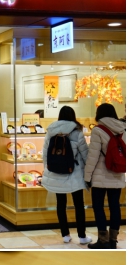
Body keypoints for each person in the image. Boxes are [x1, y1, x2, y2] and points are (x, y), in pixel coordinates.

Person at [41, 106, 91, 245]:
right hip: (74, 173)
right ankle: (82, 237)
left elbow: (45, 154)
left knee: (60, 204)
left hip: (56, 172)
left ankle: (65, 235)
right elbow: (85, 154)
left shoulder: (50, 132)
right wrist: (88, 171)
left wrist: (49, 169)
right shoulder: (77, 132)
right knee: (78, 205)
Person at [83, 102, 126, 249]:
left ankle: (103, 240)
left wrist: (87, 177)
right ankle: (113, 240)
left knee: (98, 207)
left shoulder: (98, 130)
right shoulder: (123, 129)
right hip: (118, 174)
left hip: (100, 177)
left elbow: (92, 157)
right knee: (115, 207)